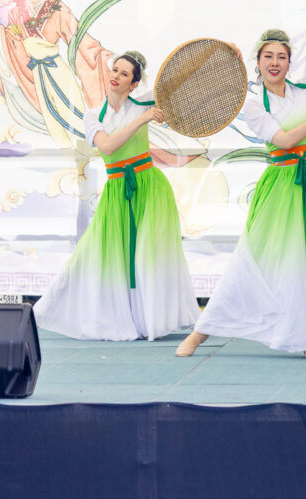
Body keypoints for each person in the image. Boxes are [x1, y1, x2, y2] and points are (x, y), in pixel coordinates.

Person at [176, 29, 306, 358]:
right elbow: (284, 141)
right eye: (268, 56)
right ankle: (201, 332)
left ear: (289, 63)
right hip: (283, 183)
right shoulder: (255, 103)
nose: (275, 63)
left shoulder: (305, 88)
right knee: (254, 257)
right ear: (257, 62)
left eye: (282, 57)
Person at [32, 51, 199, 340]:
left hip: (151, 187)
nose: (116, 76)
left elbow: (179, 83)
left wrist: (219, 55)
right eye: (115, 70)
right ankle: (61, 311)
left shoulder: (144, 102)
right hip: (117, 189)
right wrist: (142, 119)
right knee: (103, 253)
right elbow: (107, 147)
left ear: (134, 84)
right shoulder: (93, 115)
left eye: (124, 74)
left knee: (151, 254)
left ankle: (151, 321)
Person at [0, 0, 112, 150]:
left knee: (75, 120)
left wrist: (102, 55)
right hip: (37, 71)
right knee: (54, 127)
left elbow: (79, 40)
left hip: (58, 72)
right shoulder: (19, 5)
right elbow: (12, 37)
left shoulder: (59, 9)